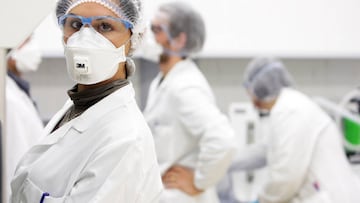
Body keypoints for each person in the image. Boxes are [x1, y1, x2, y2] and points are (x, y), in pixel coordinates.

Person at [10, 0, 162, 202]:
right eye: (75, 24)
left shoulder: (125, 139)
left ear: (134, 38)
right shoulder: (79, 106)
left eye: (105, 26)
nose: (84, 37)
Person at [143, 2, 236, 203]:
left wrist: (198, 182)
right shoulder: (163, 81)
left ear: (179, 40)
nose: (149, 37)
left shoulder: (185, 87)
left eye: (156, 30)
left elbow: (222, 139)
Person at [233, 57, 360, 203]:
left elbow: (287, 176)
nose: (252, 102)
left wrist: (263, 199)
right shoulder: (289, 106)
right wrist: (226, 161)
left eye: (249, 92)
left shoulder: (289, 110)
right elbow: (265, 150)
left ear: (258, 89)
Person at [5, 36, 44, 198]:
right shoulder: (7, 98)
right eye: (26, 41)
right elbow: (13, 162)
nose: (32, 48)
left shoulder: (15, 90)